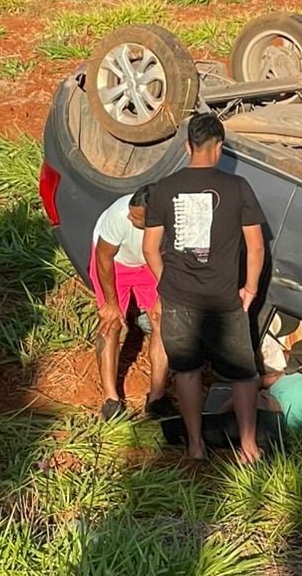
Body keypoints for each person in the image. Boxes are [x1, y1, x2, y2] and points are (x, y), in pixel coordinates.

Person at [143, 113, 267, 464]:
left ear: (187, 147)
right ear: (220, 148)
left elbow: (150, 247)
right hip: (225, 300)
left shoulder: (164, 188)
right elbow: (256, 246)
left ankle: (195, 444)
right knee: (244, 375)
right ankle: (248, 446)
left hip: (178, 297)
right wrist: (251, 289)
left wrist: (167, 280)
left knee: (187, 371)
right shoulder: (237, 187)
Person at [90, 185, 173, 421]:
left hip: (153, 264)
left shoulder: (175, 220)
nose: (129, 216)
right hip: (116, 263)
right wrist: (111, 302)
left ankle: (157, 398)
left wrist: (162, 296)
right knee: (111, 322)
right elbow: (103, 257)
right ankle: (111, 399)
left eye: (136, 217)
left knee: (162, 320)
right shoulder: (119, 215)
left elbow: (176, 258)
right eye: (131, 212)